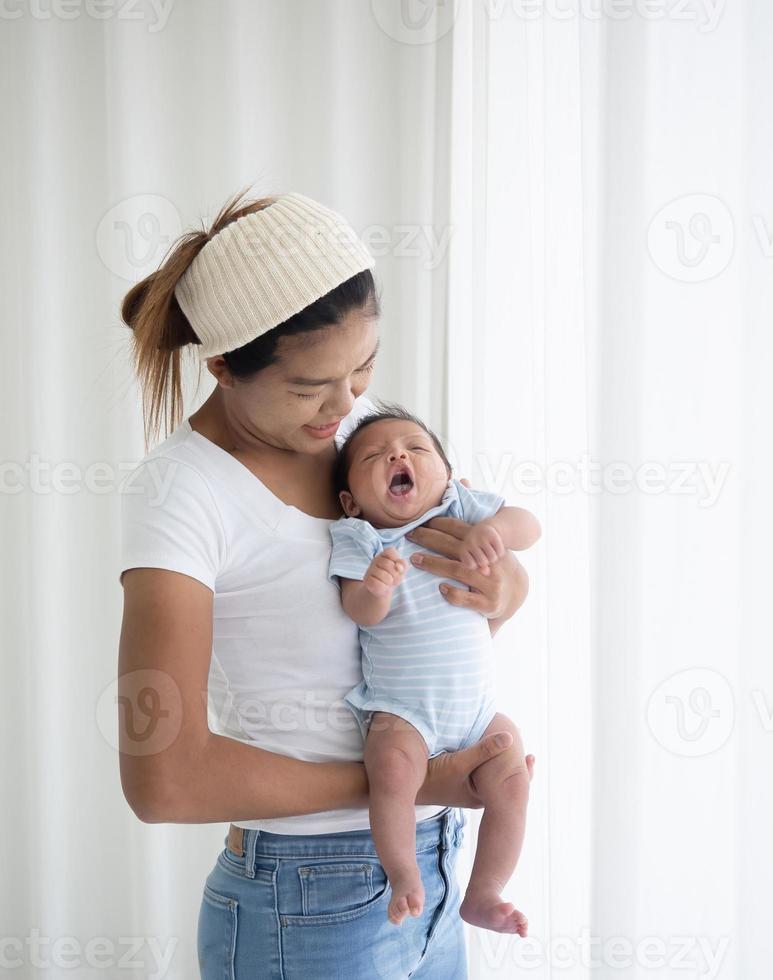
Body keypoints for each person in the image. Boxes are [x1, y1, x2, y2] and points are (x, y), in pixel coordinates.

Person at [117, 189, 533, 980]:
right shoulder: (182, 495)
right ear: (222, 367)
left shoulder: (364, 439)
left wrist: (501, 591)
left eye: (364, 369)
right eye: (311, 386)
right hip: (308, 902)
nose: (345, 405)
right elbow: (161, 778)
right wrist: (405, 781)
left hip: (440, 871)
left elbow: (465, 593)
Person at [328, 406, 540, 934]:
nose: (399, 456)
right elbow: (360, 610)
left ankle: (485, 892)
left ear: (446, 475)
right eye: (376, 456)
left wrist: (494, 528)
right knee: (393, 774)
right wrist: (376, 584)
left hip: (477, 712)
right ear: (351, 501)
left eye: (417, 449)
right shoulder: (362, 538)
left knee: (512, 775)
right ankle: (403, 874)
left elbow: (529, 526)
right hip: (404, 712)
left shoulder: (461, 507)